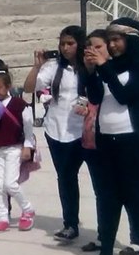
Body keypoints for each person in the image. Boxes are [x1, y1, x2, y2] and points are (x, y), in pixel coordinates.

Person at [77, 18, 139, 255]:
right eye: (109, 40)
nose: (112, 45)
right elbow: (96, 97)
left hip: (133, 143)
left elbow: (125, 96)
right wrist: (90, 72)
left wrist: (103, 68)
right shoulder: (108, 67)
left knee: (138, 201)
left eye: (116, 40)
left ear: (130, 40)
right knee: (108, 200)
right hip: (106, 141)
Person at [23, 26, 89, 242]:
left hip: (81, 130)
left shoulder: (88, 66)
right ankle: (70, 223)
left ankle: (97, 228)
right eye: (62, 44)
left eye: (70, 43)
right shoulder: (54, 67)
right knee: (65, 177)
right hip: (55, 129)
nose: (66, 48)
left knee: (88, 178)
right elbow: (29, 87)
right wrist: (36, 67)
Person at [0, 71, 35, 234]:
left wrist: (28, 145)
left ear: (8, 87)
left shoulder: (19, 104)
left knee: (10, 184)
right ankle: (3, 217)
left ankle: (27, 209)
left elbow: (28, 126)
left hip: (13, 147)